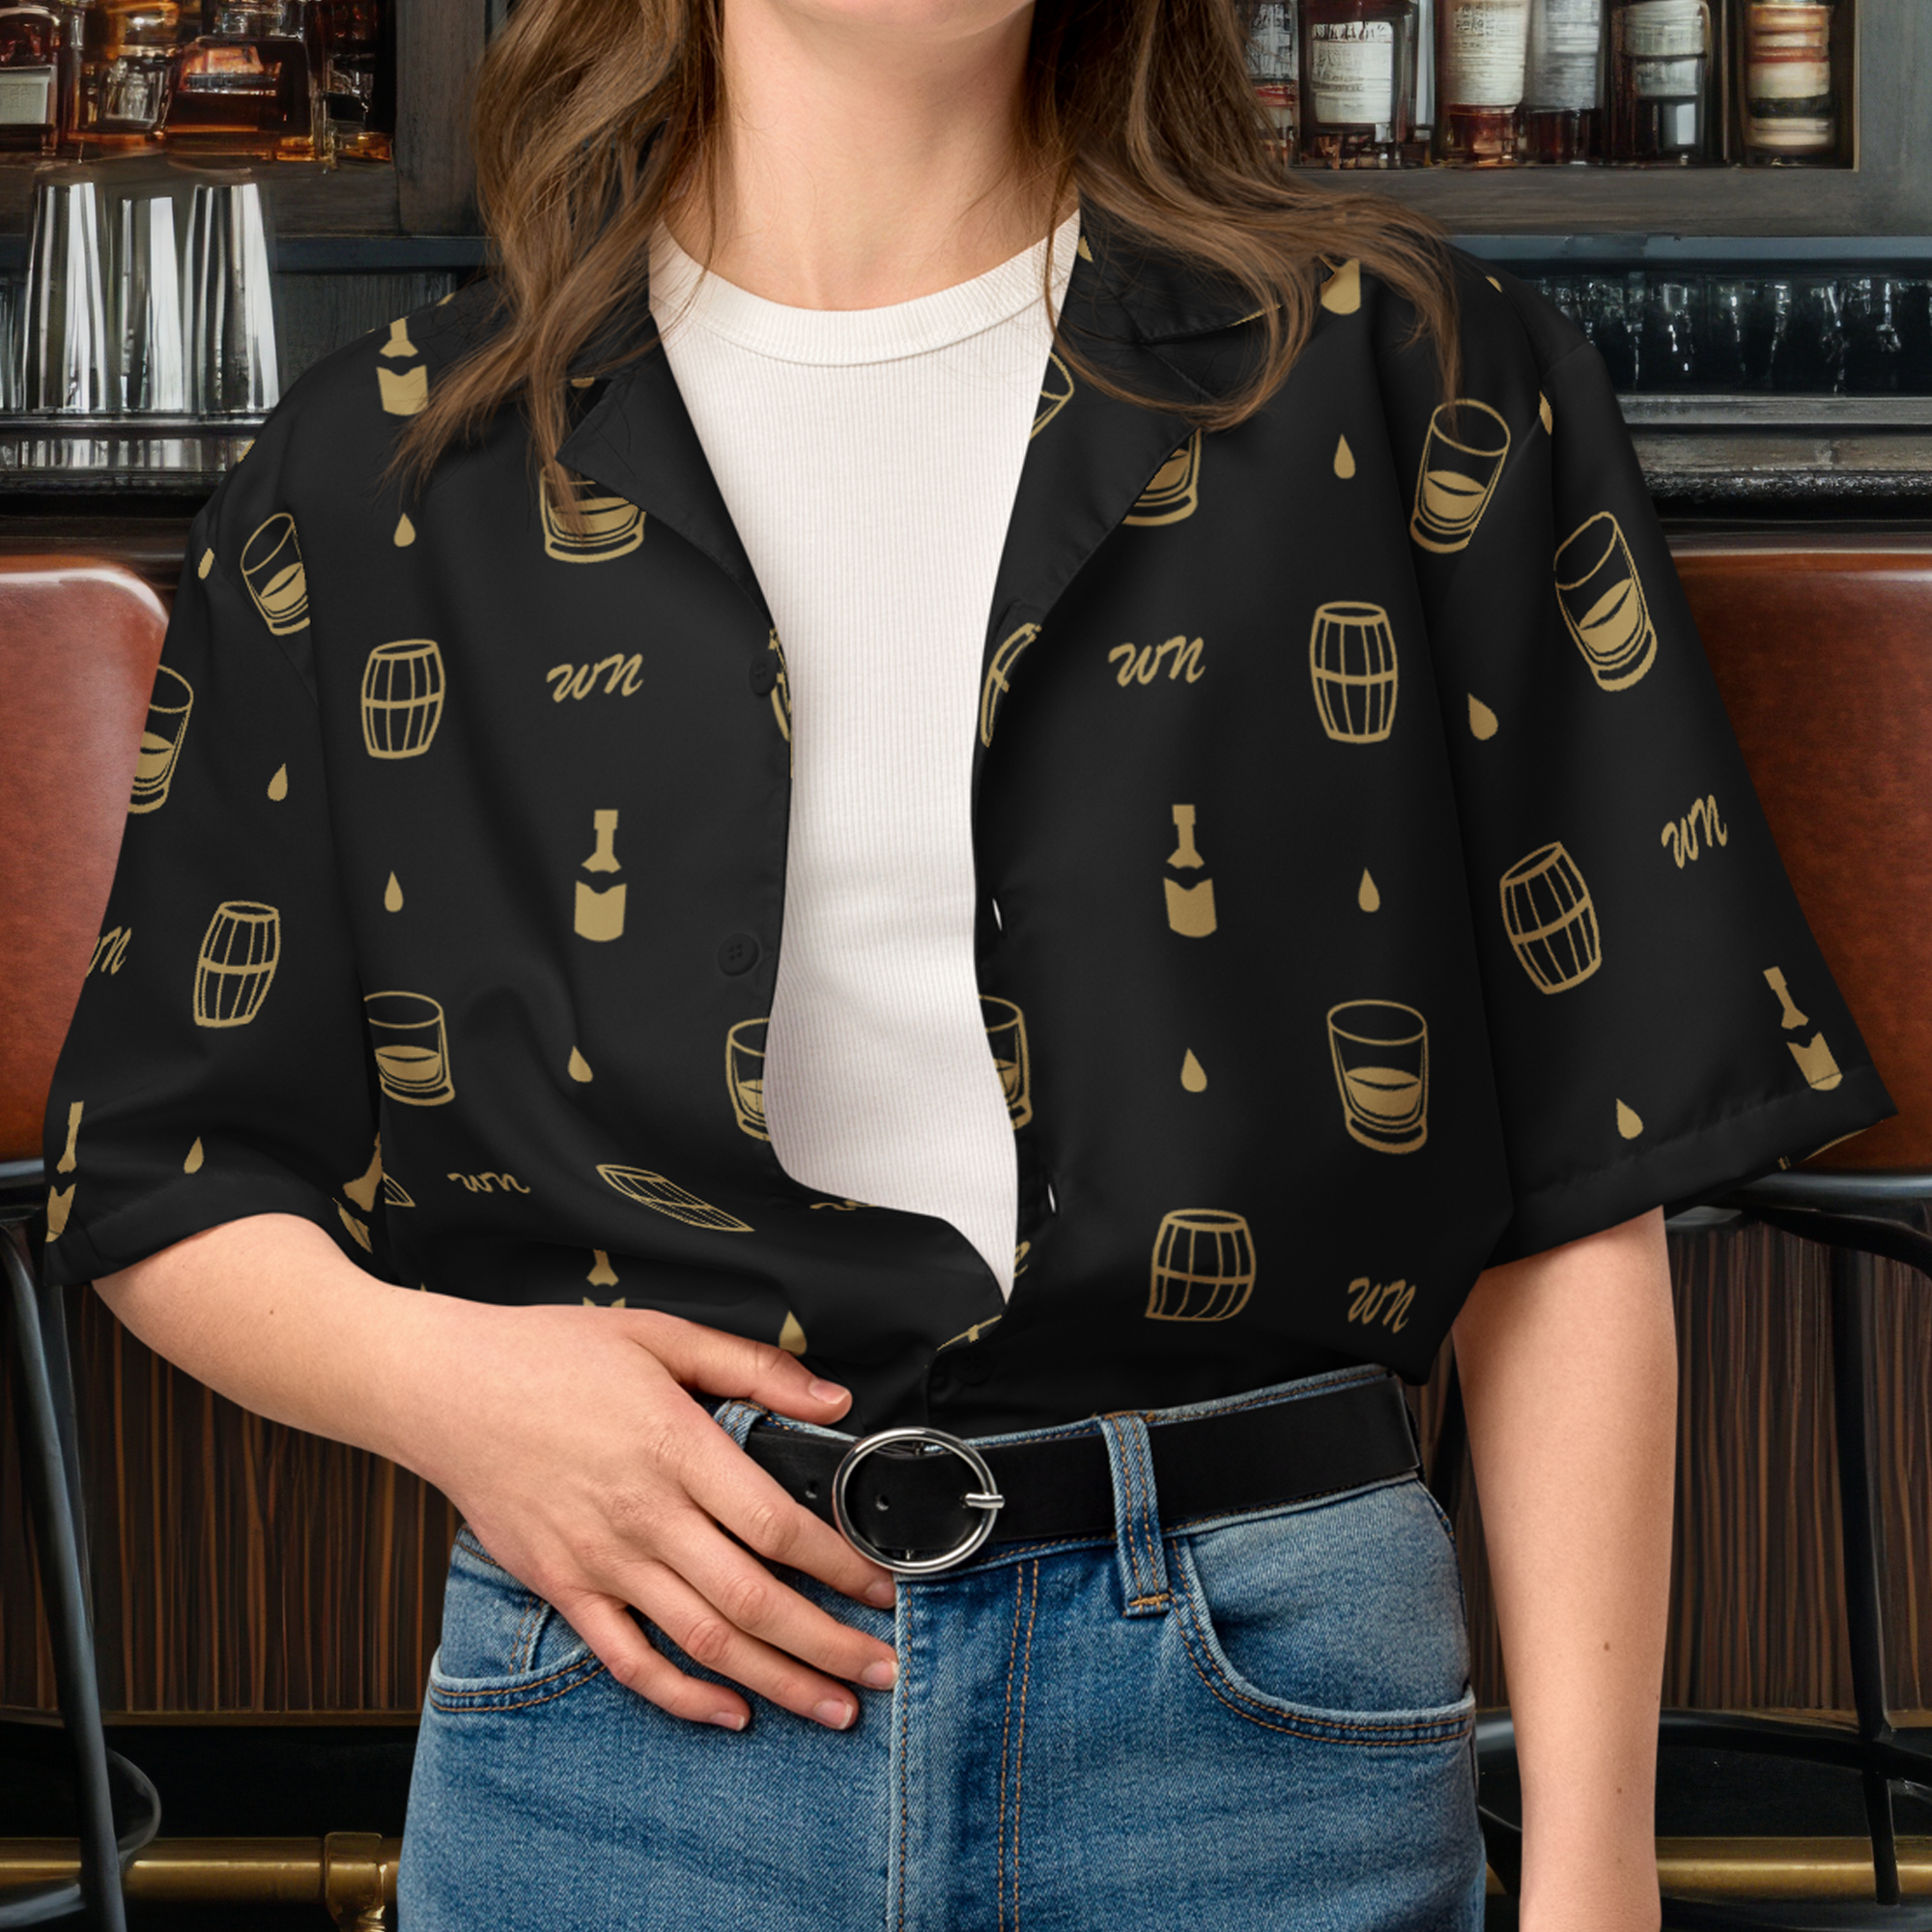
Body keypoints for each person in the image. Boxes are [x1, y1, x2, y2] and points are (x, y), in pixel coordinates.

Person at [39, 0, 1890, 1926]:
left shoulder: (1406, 368)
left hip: (1260, 1719)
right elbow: (166, 1165)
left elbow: (1578, 1181)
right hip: (628, 1710)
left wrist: (1595, 1870)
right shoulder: (381, 462)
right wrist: (452, 1389)